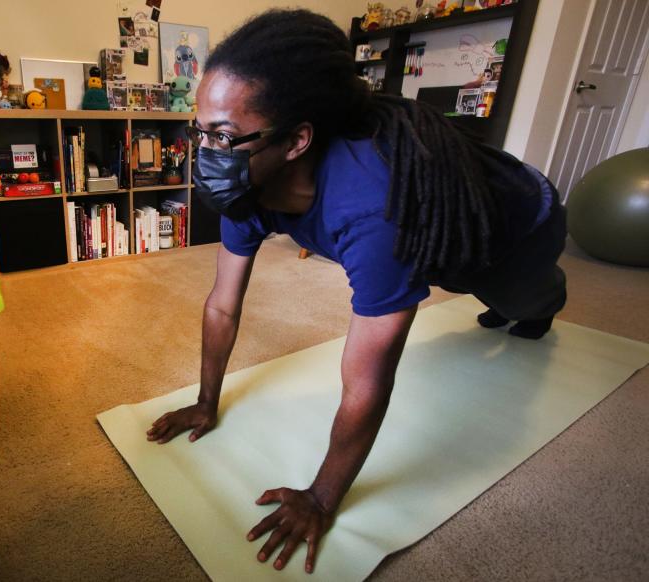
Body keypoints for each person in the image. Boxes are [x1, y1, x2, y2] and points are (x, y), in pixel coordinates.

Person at [146, 8, 567, 575]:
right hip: (431, 230)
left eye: (224, 136)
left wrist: (321, 498)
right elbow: (223, 304)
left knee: (520, 304)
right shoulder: (250, 186)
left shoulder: (372, 207)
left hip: (519, 225)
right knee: (451, 283)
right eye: (201, 131)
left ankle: (542, 302)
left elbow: (368, 376)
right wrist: (205, 401)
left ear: (297, 140)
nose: (207, 152)